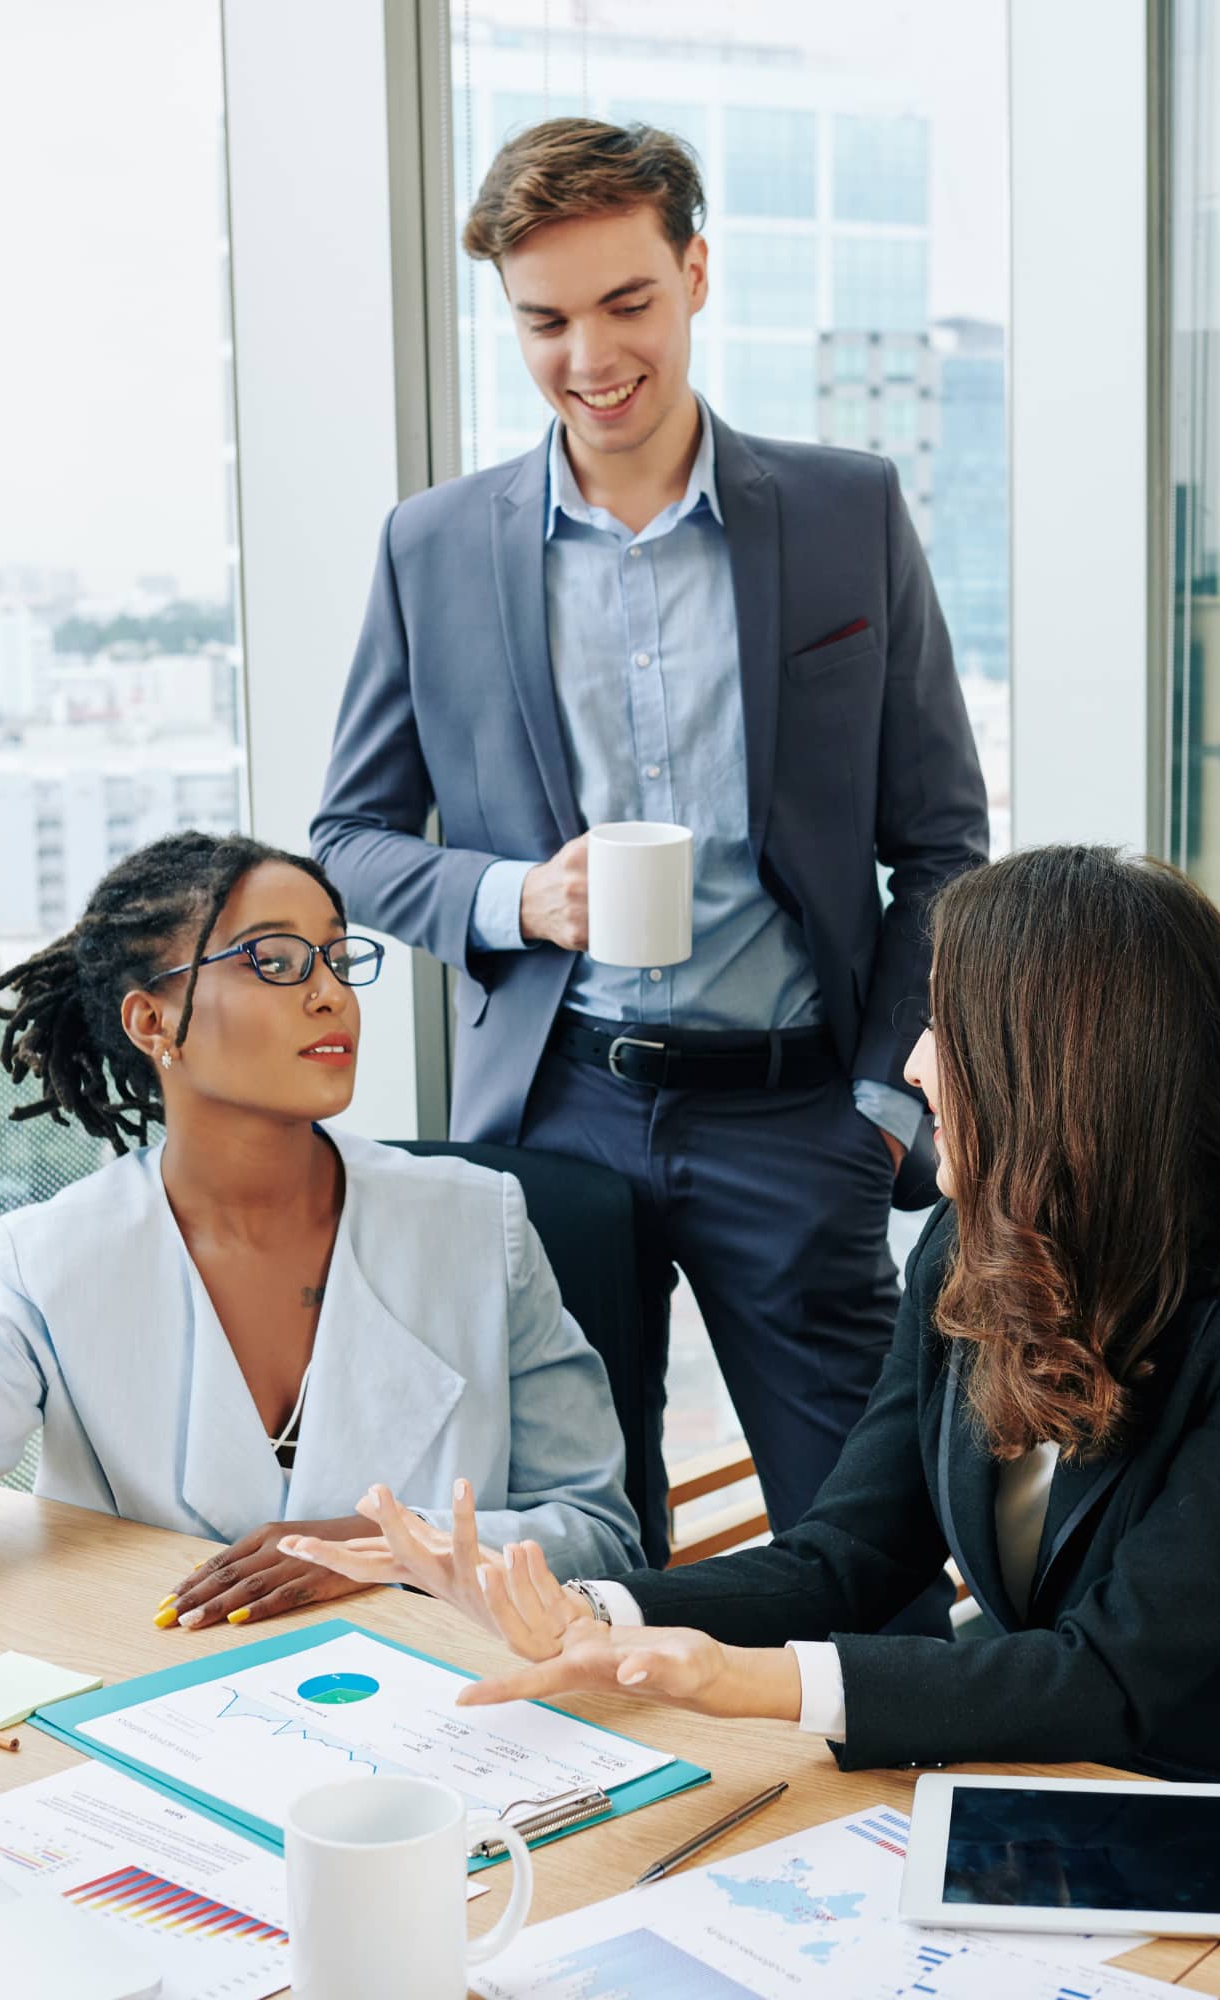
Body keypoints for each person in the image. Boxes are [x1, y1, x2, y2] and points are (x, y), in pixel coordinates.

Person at [283, 847, 1220, 1788]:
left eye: (948, 1024)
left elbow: (1112, 1670)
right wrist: (579, 1605)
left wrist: (738, 1679)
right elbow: (844, 1558)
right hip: (1027, 1773)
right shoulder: (974, 1238)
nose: (919, 1061)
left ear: (1064, 1069)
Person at [309, 118, 990, 1574]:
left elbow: (942, 844)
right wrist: (514, 897)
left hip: (798, 1120)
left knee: (865, 1553)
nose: (587, 357)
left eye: (625, 305)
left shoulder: (843, 514)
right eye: (544, 320)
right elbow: (350, 840)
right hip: (555, 1120)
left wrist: (880, 1101)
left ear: (693, 274)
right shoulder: (431, 549)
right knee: (576, 1554)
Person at [0, 830, 644, 1614]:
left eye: (338, 959)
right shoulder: (50, 1262)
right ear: (152, 1020)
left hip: (450, 1709)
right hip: (168, 1712)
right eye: (274, 962)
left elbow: (599, 1530)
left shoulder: (475, 1224)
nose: (329, 996)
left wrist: (392, 1548)